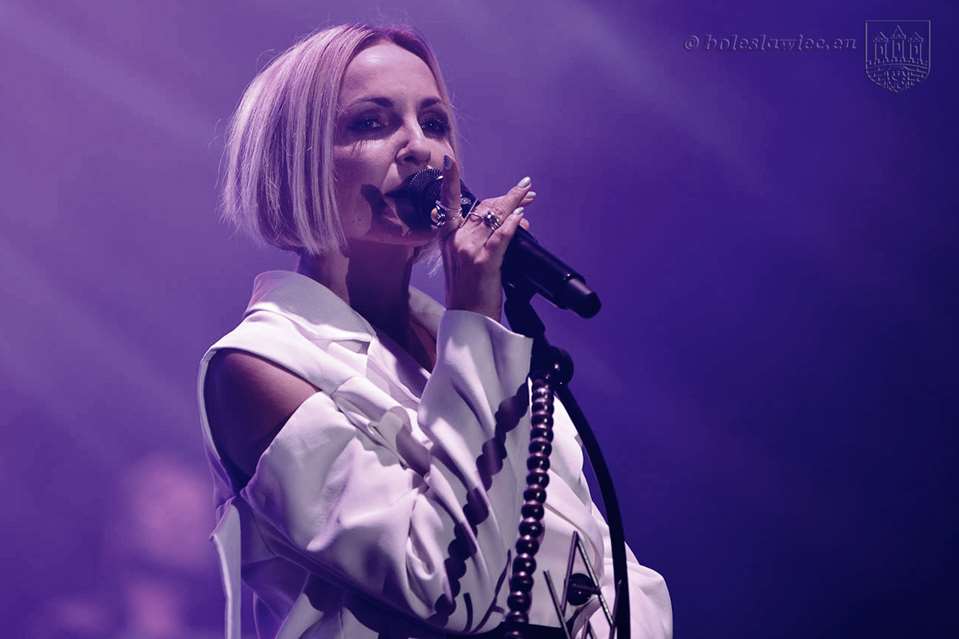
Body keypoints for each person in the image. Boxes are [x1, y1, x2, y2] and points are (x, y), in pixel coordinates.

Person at [198, 23, 671, 639]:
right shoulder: (258, 366)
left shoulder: (463, 341)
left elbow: (599, 558)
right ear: (293, 163)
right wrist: (474, 316)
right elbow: (447, 586)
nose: (420, 148)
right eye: (371, 122)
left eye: (434, 123)